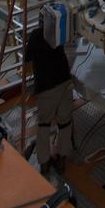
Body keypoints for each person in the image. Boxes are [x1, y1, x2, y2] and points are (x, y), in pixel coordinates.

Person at [26, 15, 73, 176]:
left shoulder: (35, 36)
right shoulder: (57, 31)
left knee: (44, 125)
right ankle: (62, 159)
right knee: (65, 123)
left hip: (46, 88)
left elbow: (27, 60)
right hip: (64, 82)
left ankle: (44, 162)